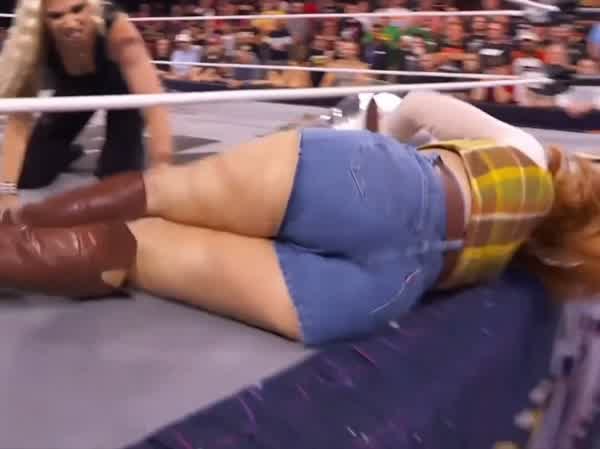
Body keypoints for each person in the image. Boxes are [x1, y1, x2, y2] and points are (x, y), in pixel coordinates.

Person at [0, 92, 596, 346]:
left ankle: (19, 222)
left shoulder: (525, 153)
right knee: (137, 248)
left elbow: (416, 105)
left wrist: (381, 144)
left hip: (381, 184)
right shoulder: (528, 261)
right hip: (384, 290)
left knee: (163, 191)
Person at [0, 0, 173, 211]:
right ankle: (68, 152)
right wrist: (6, 190)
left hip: (122, 90)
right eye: (56, 16)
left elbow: (154, 102)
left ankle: (123, 153)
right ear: (42, 19)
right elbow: (20, 116)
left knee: (117, 181)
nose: (71, 23)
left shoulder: (115, 25)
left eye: (77, 9)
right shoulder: (35, 39)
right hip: (74, 87)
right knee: (28, 175)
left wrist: (162, 169)